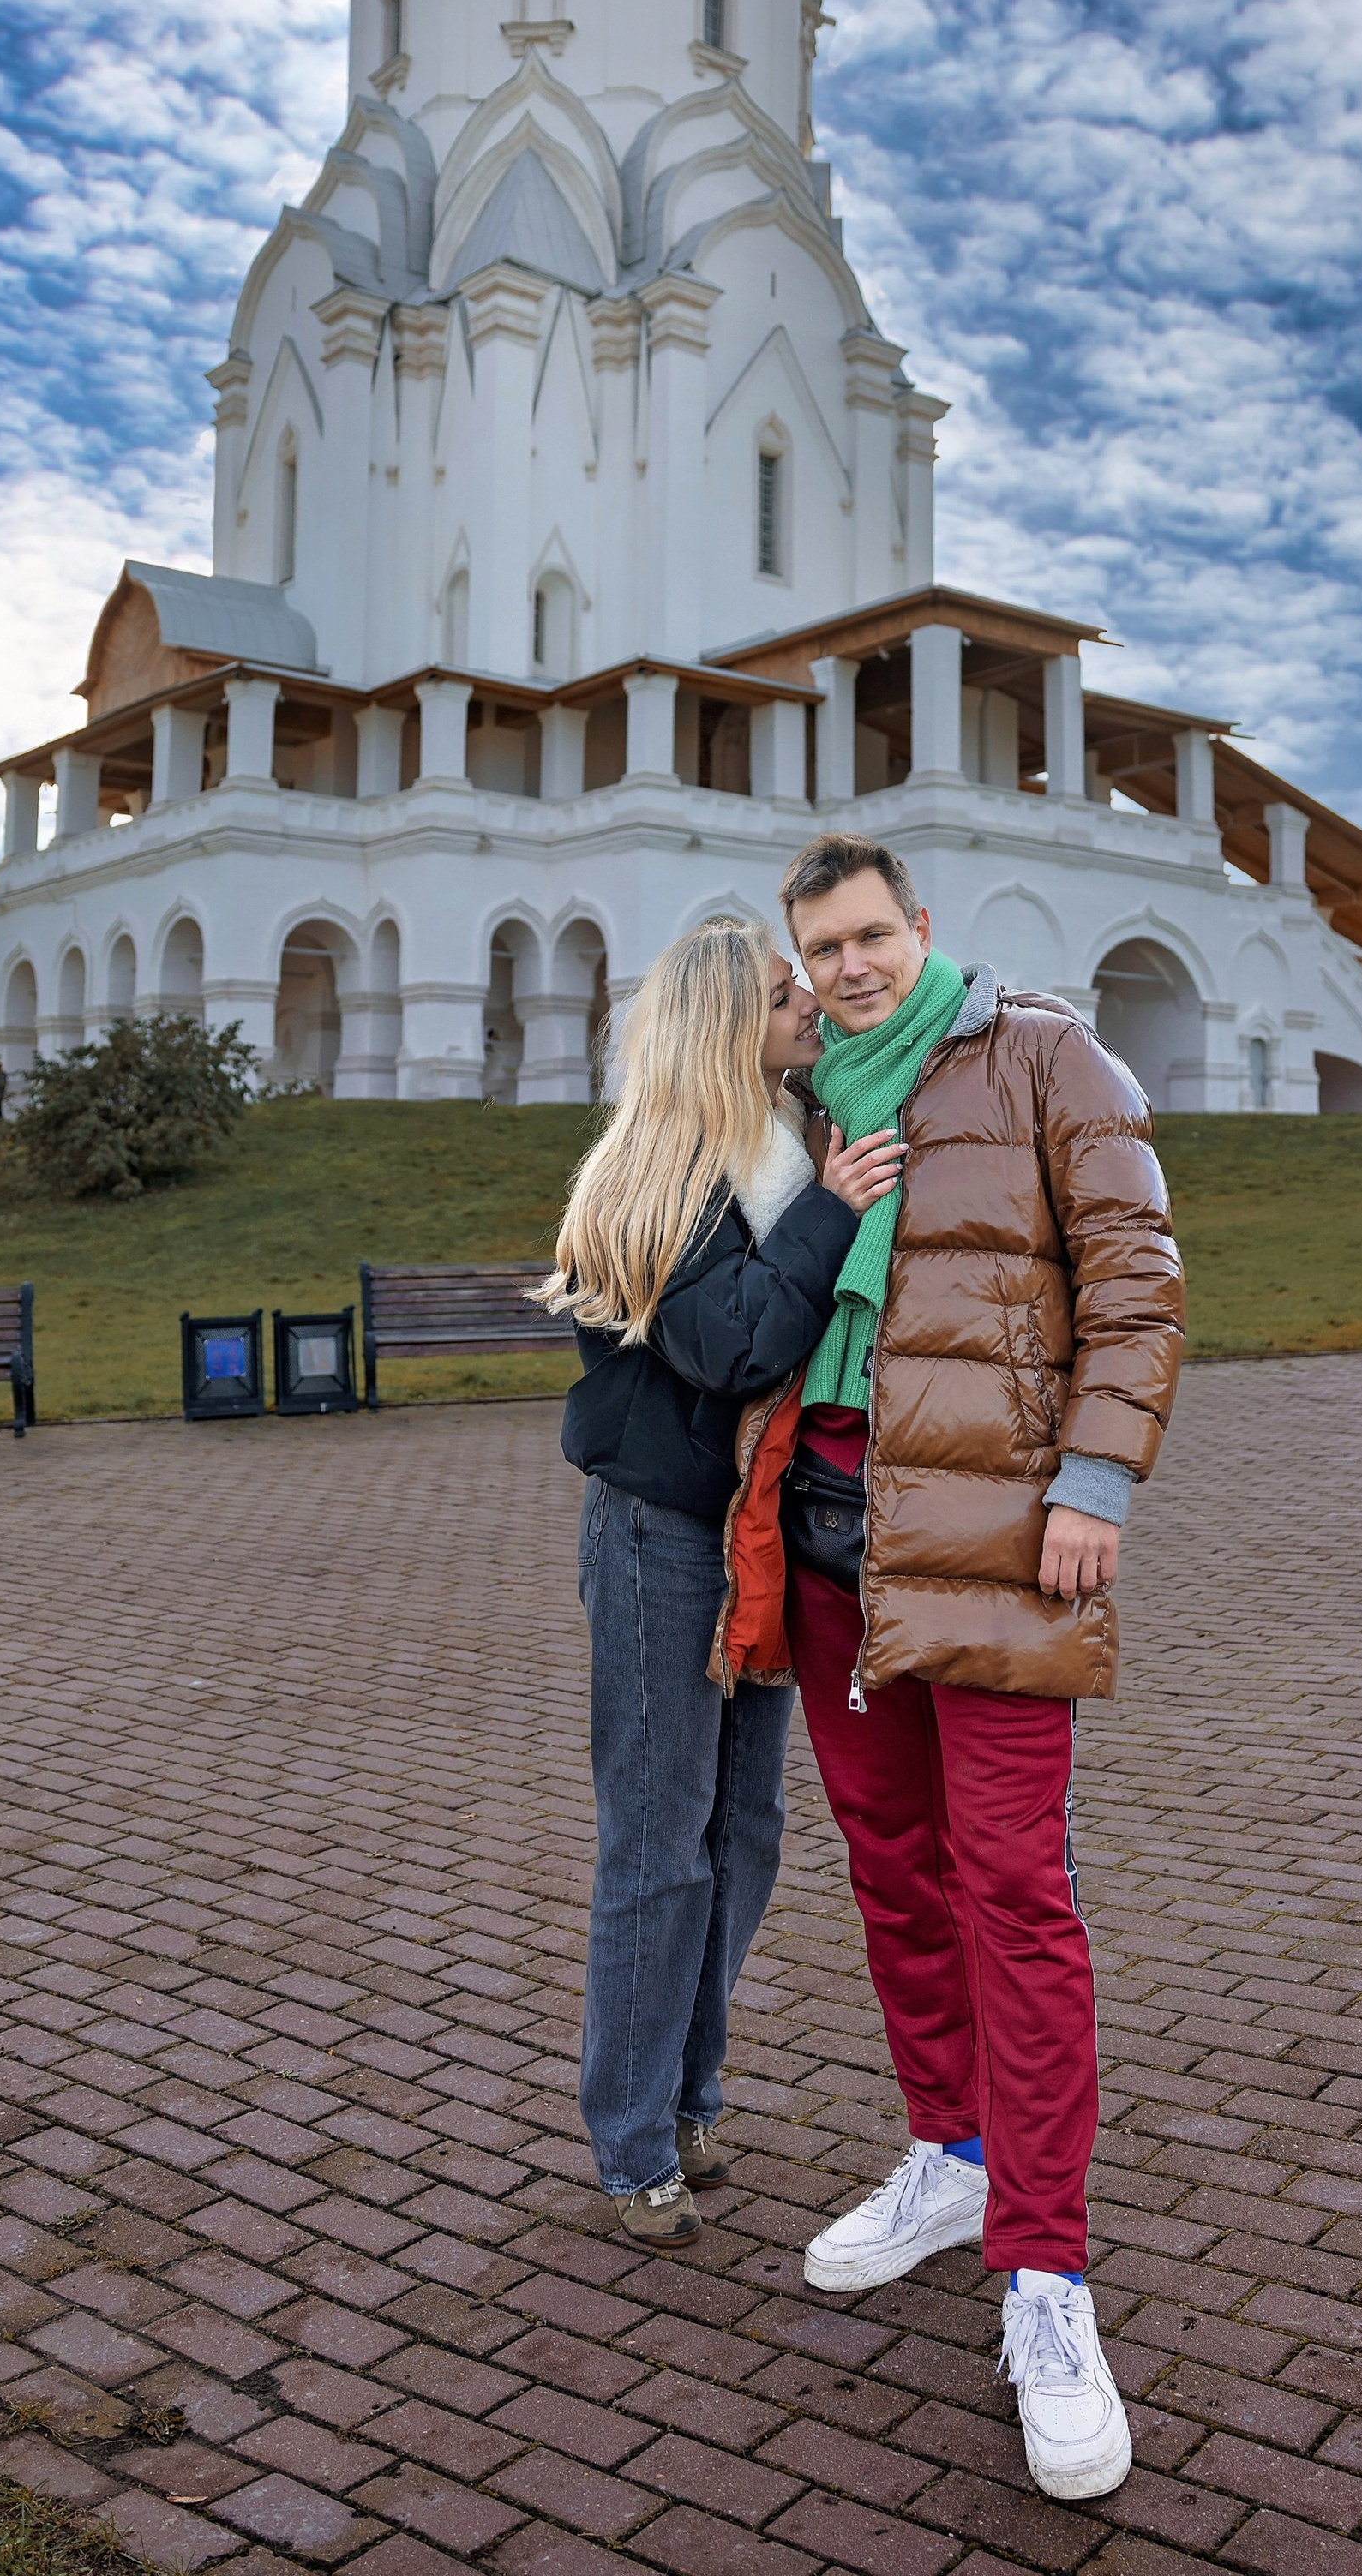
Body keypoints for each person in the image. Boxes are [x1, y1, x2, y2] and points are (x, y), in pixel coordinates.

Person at [707, 836, 1184, 2503]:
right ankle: (954, 2152)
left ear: (920, 927)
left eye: (869, 937)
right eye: (819, 948)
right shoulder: (796, 1106)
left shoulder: (1043, 1055)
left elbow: (1136, 1280)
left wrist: (1096, 1482)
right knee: (894, 1875)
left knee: (1012, 1891)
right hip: (830, 1538)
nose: (847, 969)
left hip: (993, 1537)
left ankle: (1044, 2273)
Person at [548, 915, 902, 2246]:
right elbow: (739, 1342)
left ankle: (691, 2094)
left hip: (755, 1535)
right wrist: (831, 1210)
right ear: (720, 1025)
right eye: (780, 990)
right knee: (659, 1844)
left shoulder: (783, 1144)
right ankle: (633, 2139)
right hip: (660, 1539)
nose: (808, 999)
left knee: (742, 1831)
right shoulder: (660, 1176)